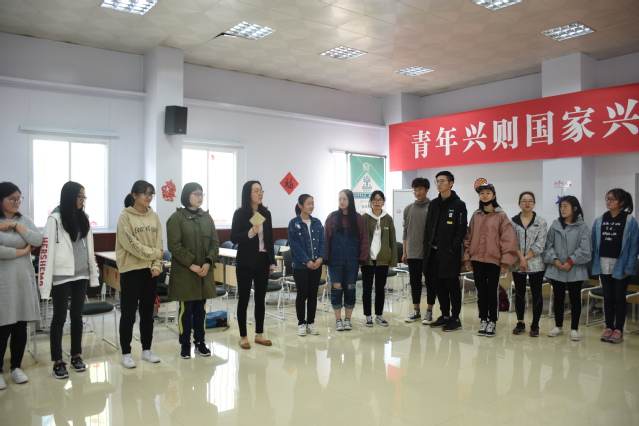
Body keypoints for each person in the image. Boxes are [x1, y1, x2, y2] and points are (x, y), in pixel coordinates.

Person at [40, 181, 99, 379]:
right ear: (69, 197)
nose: (83, 200)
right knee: (59, 317)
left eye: (84, 196)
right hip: (61, 274)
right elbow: (47, 252)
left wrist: (93, 273)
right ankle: (58, 360)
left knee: (77, 316)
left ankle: (76, 355)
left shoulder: (84, 218)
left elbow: (90, 248)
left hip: (81, 273)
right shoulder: (54, 219)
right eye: (80, 196)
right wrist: (44, 285)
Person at [167, 182, 220, 358]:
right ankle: (185, 344)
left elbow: (214, 243)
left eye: (201, 194)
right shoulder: (176, 218)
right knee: (186, 310)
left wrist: (208, 262)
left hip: (204, 271)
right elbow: (174, 246)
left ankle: (200, 342)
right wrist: (191, 264)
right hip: (186, 272)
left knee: (200, 310)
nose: (200, 197)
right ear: (187, 195)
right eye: (196, 194)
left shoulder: (206, 217)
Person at [116, 180, 164, 368]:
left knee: (147, 314)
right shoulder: (125, 216)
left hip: (150, 271)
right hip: (131, 270)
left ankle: (146, 350)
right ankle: (126, 353)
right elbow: (131, 245)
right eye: (145, 193)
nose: (148, 197)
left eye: (151, 193)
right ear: (134, 195)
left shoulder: (154, 216)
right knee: (128, 314)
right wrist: (154, 254)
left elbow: (159, 243)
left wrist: (157, 265)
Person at [0, 182, 43, 389]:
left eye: (19, 198)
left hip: (23, 280)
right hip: (4, 281)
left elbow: (38, 239)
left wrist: (16, 226)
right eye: (12, 199)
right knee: (3, 326)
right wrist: (24, 252)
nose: (17, 202)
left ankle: (15, 367)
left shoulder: (24, 220)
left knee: (20, 326)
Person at [463, 183, 518, 337]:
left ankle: (492, 321)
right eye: (482, 193)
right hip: (477, 259)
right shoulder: (476, 215)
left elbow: (508, 240)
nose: (485, 196)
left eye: (488, 193)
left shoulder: (501, 216)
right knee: (481, 292)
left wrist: (505, 263)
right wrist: (467, 258)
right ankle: (483, 320)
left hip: (494, 261)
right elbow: (468, 238)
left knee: (492, 292)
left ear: (494, 196)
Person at [231, 180, 275, 349]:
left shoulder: (266, 214)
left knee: (260, 298)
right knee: (243, 298)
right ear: (248, 194)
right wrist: (250, 233)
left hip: (262, 260)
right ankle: (243, 336)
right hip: (245, 261)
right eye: (256, 190)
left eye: (261, 190)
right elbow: (234, 237)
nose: (260, 193)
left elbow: (269, 239)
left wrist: (271, 262)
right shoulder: (240, 214)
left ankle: (259, 334)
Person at [591, 188, 639, 344]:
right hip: (603, 263)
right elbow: (594, 242)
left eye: (612, 199)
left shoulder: (629, 220)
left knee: (619, 297)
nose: (608, 201)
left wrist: (629, 267)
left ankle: (618, 329)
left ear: (622, 202)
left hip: (621, 265)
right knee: (608, 297)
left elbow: (634, 246)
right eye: (607, 198)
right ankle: (609, 327)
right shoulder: (600, 219)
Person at [422, 171, 467, 332]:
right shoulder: (434, 204)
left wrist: (452, 248)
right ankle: (445, 315)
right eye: (437, 181)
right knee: (438, 285)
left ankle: (455, 318)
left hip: (449, 253)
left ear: (451, 183)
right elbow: (428, 227)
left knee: (451, 286)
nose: (439, 184)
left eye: (442, 181)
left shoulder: (459, 205)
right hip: (433, 252)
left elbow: (461, 230)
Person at [544, 195, 591, 341]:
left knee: (575, 298)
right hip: (557, 267)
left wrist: (571, 261)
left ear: (575, 208)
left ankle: (574, 329)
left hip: (574, 268)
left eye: (566, 206)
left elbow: (585, 249)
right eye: (561, 206)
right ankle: (558, 327)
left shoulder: (582, 227)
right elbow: (548, 245)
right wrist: (554, 259)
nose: (562, 209)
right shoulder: (555, 225)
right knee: (558, 298)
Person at [324, 189, 369, 331]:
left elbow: (364, 239)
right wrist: (325, 258)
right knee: (336, 290)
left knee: (350, 289)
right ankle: (338, 320)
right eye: (339, 199)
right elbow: (325, 239)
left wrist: (362, 258)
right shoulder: (332, 218)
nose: (342, 201)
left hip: (352, 261)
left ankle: (348, 319)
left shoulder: (358, 218)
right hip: (335, 261)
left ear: (350, 200)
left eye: (344, 199)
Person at [510, 191, 547, 337]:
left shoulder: (541, 221)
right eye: (524, 201)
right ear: (519, 203)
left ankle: (535, 325)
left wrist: (526, 258)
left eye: (530, 201)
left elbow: (540, 243)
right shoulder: (512, 222)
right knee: (519, 293)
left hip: (536, 263)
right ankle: (520, 322)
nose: (527, 203)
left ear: (534, 203)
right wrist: (521, 258)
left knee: (536, 294)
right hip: (517, 263)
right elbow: (512, 242)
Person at [287, 194, 326, 336]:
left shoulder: (317, 222)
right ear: (300, 206)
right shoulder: (294, 223)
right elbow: (295, 246)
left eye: (313, 203)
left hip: (316, 265)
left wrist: (320, 258)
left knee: (313, 295)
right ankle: (301, 323)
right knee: (302, 294)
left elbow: (322, 242)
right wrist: (307, 261)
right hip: (301, 266)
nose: (311, 206)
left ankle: (311, 322)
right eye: (308, 203)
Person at [402, 178, 435, 324]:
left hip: (428, 253)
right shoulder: (408, 209)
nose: (417, 192)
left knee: (430, 282)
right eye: (414, 190)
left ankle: (429, 311)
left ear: (426, 190)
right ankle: (416, 310)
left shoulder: (433, 207)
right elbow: (405, 232)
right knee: (414, 282)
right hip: (412, 251)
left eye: (420, 189)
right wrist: (404, 252)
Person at [362, 190, 397, 327]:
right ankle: (367, 316)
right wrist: (360, 258)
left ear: (383, 202)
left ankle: (379, 315)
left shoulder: (388, 218)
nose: (377, 202)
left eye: (380, 200)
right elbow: (360, 239)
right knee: (367, 288)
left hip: (383, 259)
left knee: (380, 288)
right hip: (368, 259)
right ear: (370, 201)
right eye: (375, 200)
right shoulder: (364, 217)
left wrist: (392, 260)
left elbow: (392, 240)